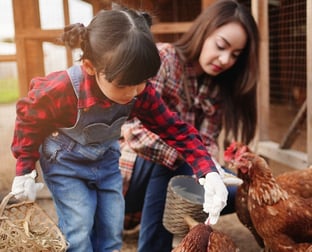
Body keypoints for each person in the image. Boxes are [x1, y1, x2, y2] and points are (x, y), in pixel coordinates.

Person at [10, 4, 229, 252]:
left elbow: (175, 129)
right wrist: (25, 169)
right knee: (79, 225)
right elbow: (29, 116)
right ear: (91, 67)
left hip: (106, 162)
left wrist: (207, 171)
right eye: (125, 84)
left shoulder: (139, 93)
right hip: (65, 165)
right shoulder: (63, 88)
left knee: (111, 226)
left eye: (143, 81)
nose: (135, 92)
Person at [120, 0, 260, 251]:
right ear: (205, 31)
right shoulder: (163, 58)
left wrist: (211, 169)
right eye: (221, 45)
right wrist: (195, 159)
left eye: (235, 55)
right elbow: (132, 130)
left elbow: (206, 142)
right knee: (173, 157)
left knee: (231, 190)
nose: (226, 59)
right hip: (128, 178)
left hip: (172, 178)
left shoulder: (216, 87)